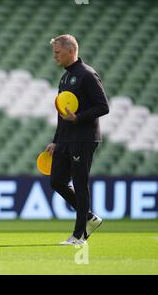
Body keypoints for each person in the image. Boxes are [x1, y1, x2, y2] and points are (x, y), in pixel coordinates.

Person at [46, 34, 109, 245]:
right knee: (56, 181)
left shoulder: (87, 75)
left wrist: (78, 118)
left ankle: (79, 235)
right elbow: (61, 114)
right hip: (66, 139)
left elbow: (103, 106)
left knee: (80, 185)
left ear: (71, 51)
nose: (54, 56)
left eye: (57, 52)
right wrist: (56, 140)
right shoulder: (65, 77)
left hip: (84, 137)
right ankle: (90, 217)